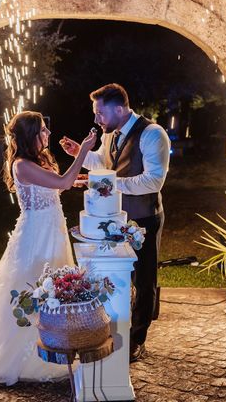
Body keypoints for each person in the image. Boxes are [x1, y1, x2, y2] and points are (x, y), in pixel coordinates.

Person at [0, 110, 97, 385]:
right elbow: (62, 182)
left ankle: (56, 342)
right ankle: (26, 357)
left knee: (55, 289)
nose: (48, 134)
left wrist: (82, 180)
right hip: (36, 237)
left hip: (52, 231)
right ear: (31, 134)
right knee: (34, 287)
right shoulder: (21, 164)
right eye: (43, 130)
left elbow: (56, 187)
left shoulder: (38, 160)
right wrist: (83, 152)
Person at [60, 84, 170, 363]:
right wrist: (81, 155)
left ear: (119, 109)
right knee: (118, 276)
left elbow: (153, 180)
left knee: (144, 280)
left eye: (100, 113)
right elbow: (104, 162)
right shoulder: (111, 134)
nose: (97, 120)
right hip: (114, 219)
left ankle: (138, 339)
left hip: (144, 217)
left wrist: (108, 184)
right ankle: (116, 326)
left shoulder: (153, 134)